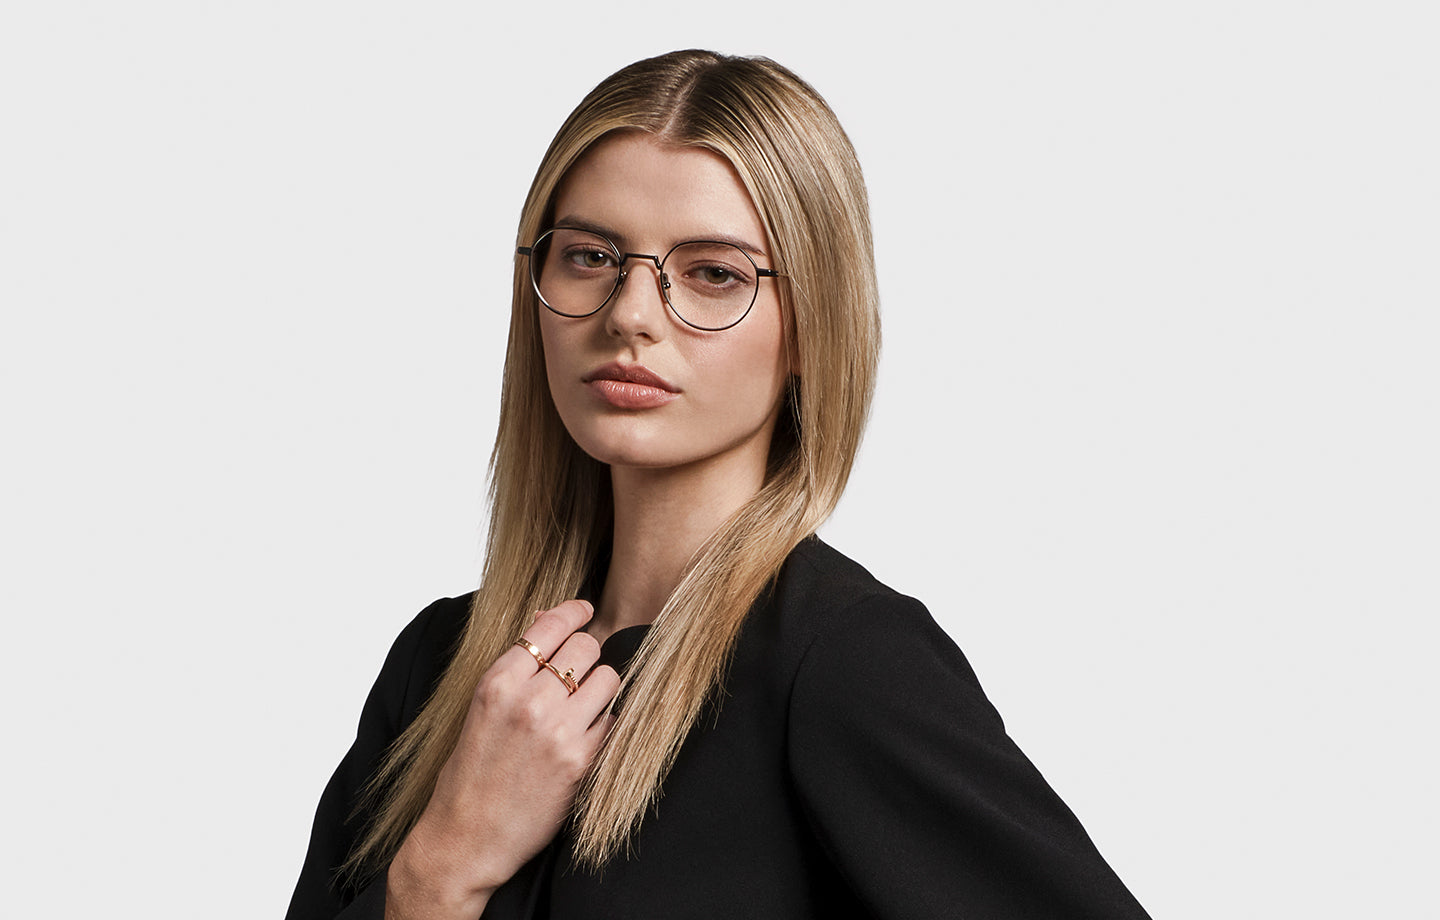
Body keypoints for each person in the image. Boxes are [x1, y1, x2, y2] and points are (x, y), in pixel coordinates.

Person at [286, 49, 1152, 920]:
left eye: (713, 273)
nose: (630, 313)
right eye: (589, 255)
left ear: (812, 324)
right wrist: (444, 866)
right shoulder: (439, 666)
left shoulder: (843, 665)